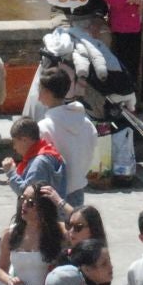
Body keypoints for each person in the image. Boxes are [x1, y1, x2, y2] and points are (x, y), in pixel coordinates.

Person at [38, 65, 98, 210]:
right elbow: (90, 155)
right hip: (77, 189)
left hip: (52, 193)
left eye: (40, 91)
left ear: (47, 92)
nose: (38, 96)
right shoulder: (87, 123)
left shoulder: (44, 127)